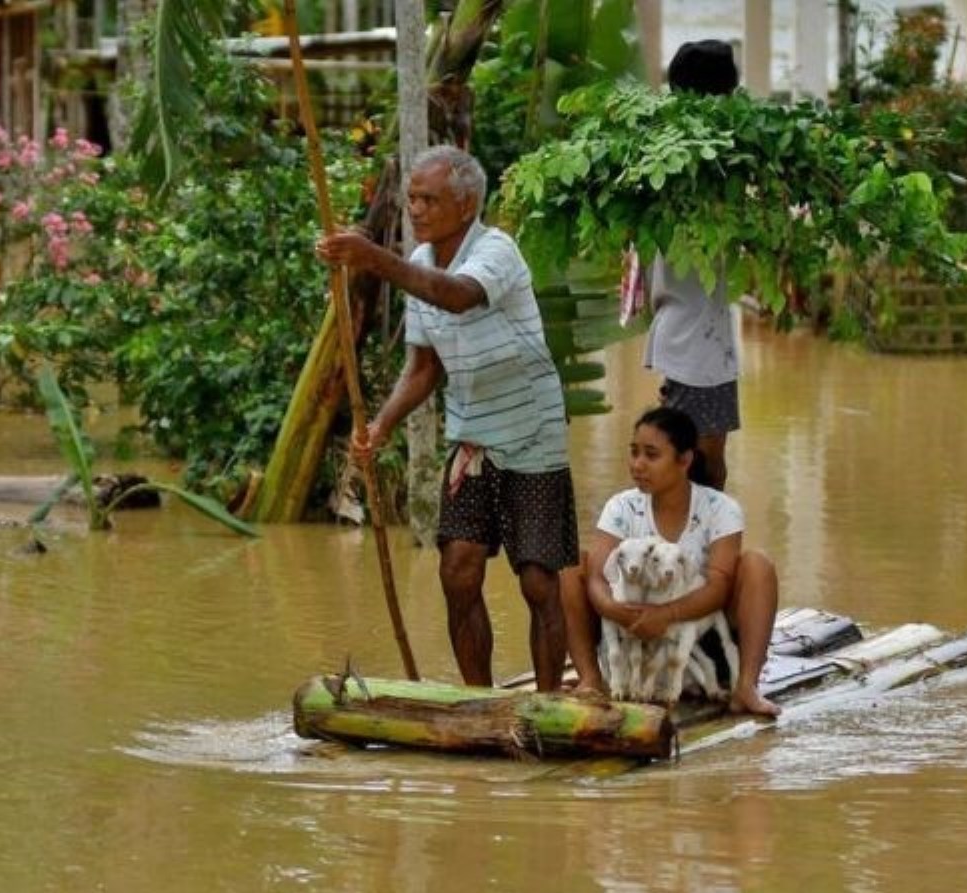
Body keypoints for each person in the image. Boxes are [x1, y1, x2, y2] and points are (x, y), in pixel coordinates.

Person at [317, 145, 578, 692]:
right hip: (473, 436)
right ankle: (479, 700)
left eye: (428, 199)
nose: (415, 209)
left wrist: (375, 259)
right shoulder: (423, 267)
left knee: (537, 578)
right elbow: (423, 369)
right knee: (458, 569)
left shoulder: (496, 251)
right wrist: (380, 427)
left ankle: (549, 701)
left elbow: (458, 297)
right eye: (411, 198)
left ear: (466, 205)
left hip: (532, 430)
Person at [561, 406, 781, 717]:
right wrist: (620, 613)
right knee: (570, 565)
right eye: (634, 452)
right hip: (631, 640)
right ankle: (591, 679)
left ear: (685, 460)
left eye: (651, 455)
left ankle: (745, 686)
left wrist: (665, 616)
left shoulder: (721, 509)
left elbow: (719, 585)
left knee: (758, 565)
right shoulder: (621, 507)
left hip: (699, 644)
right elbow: (597, 577)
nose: (638, 464)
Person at [643, 39, 744, 491]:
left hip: (698, 337)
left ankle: (703, 552)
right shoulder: (699, 164)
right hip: (693, 341)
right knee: (702, 463)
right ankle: (699, 555)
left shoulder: (681, 154)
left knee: (704, 461)